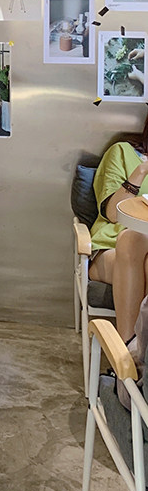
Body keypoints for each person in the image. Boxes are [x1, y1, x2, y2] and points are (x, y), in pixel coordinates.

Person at [89, 110, 148, 342]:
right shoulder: (122, 152)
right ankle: (127, 348)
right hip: (111, 249)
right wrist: (142, 170)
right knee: (131, 238)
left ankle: (134, 354)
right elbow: (113, 213)